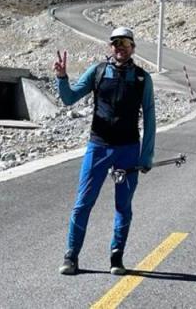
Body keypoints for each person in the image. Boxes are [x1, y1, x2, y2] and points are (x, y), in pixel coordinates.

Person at [54, 27, 155, 276]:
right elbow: (69, 98)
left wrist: (146, 156)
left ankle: (116, 257)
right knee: (82, 204)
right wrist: (62, 77)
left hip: (129, 149)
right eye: (115, 43)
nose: (119, 47)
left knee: (123, 206)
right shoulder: (98, 71)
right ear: (110, 47)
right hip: (98, 147)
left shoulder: (143, 78)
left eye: (125, 43)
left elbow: (150, 117)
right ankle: (71, 256)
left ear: (133, 47)